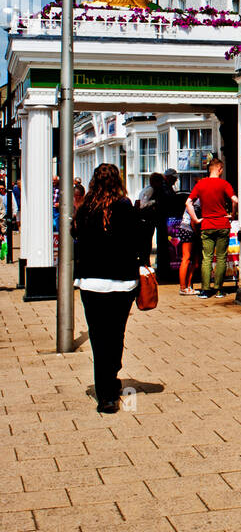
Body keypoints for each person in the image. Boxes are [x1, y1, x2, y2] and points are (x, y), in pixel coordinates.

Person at [72, 163, 147, 414]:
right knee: (116, 333)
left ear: (94, 182)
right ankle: (111, 376)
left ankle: (106, 393)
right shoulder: (125, 206)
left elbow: (76, 239)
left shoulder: (84, 210)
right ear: (118, 180)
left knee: (98, 335)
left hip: (90, 282)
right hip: (122, 282)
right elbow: (139, 240)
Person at [186, 156, 237, 298]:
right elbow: (235, 200)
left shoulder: (201, 184)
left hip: (206, 224)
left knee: (206, 258)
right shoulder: (224, 184)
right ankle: (219, 289)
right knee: (221, 257)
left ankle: (205, 290)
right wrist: (232, 214)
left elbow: (188, 203)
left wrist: (196, 219)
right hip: (222, 224)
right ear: (220, 169)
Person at [155, 169, 180, 282]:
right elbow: (168, 203)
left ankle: (165, 272)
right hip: (163, 222)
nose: (175, 180)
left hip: (165, 222)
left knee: (165, 247)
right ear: (168, 177)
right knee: (164, 247)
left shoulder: (167, 187)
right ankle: (164, 273)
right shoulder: (164, 188)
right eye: (174, 178)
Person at [135, 172, 163, 259]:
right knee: (146, 242)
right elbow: (142, 204)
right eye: (160, 182)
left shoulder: (147, 188)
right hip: (146, 221)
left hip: (145, 220)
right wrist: (154, 202)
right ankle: (145, 261)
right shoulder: (150, 190)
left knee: (146, 241)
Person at [176, 200, 200, 295]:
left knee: (193, 260)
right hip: (189, 230)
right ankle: (183, 287)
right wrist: (197, 233)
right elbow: (193, 221)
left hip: (185, 229)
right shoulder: (197, 203)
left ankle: (188, 286)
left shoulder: (193, 201)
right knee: (186, 258)